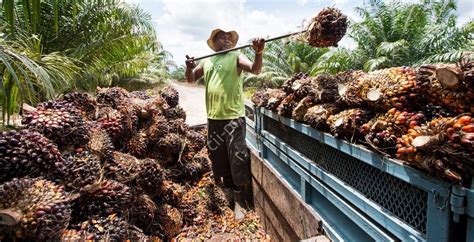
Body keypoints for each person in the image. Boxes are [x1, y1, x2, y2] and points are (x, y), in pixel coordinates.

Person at [185, 29, 264, 220]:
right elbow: (190, 79)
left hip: (233, 118)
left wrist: (258, 52)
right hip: (213, 118)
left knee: (237, 156)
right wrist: (189, 66)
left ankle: (240, 199)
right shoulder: (207, 61)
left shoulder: (237, 56)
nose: (227, 39)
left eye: (229, 37)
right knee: (218, 155)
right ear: (214, 42)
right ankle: (226, 190)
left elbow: (255, 69)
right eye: (222, 37)